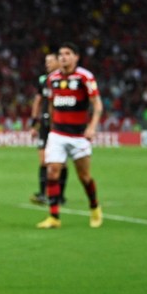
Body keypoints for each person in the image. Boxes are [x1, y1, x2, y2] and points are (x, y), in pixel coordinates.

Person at [36, 42, 103, 229]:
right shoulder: (52, 79)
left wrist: (92, 127)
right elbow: (51, 103)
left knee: (84, 177)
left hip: (79, 136)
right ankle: (54, 217)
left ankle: (95, 207)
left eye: (67, 53)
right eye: (61, 54)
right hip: (58, 133)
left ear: (76, 57)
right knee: (52, 171)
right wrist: (50, 127)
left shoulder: (85, 77)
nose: (63, 57)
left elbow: (97, 105)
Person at [29, 52, 67, 205]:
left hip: (59, 125)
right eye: (46, 61)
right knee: (43, 161)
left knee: (61, 163)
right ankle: (43, 193)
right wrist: (34, 123)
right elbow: (37, 101)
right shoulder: (43, 80)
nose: (47, 64)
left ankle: (60, 196)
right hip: (44, 125)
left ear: (58, 62)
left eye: (50, 61)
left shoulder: (64, 80)